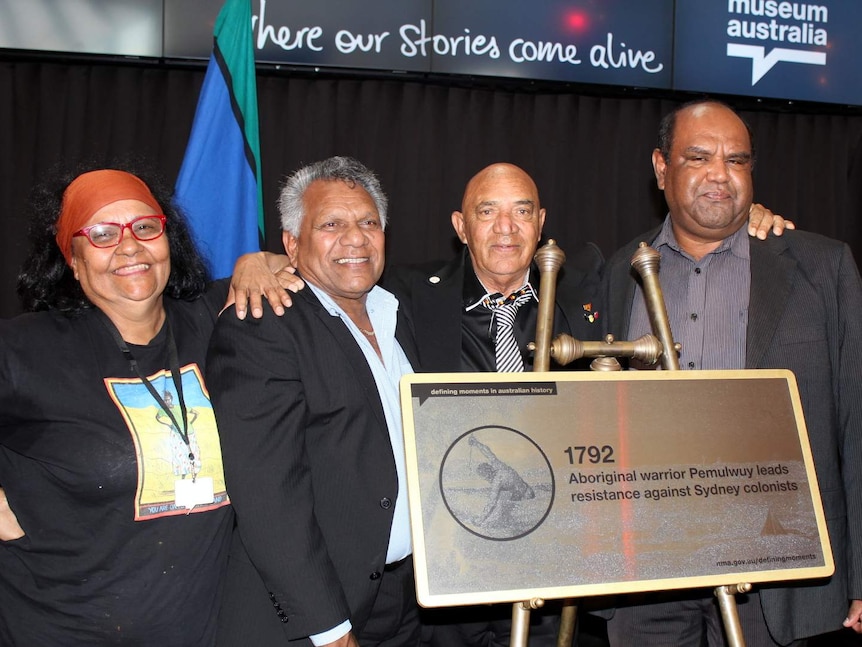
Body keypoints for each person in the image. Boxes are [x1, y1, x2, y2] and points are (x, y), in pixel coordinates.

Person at [384, 162, 792, 647]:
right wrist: (271, 264)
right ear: (460, 226)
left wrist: (743, 217)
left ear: (541, 223)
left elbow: (685, 242)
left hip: (561, 572)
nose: (506, 227)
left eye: (522, 211)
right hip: (454, 572)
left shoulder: (586, 285)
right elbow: (336, 278)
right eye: (487, 211)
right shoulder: (406, 293)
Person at [600, 99, 862, 646]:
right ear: (660, 168)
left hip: (781, 580)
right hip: (645, 574)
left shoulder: (821, 268)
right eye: (698, 157)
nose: (720, 174)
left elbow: (858, 428)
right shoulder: (616, 272)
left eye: (737, 160)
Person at [0, 166, 297, 645]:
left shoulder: (216, 317)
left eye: (144, 227)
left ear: (167, 240)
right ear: (71, 260)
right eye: (100, 234)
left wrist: (255, 260)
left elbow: (320, 265)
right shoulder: (25, 349)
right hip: (60, 628)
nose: (129, 246)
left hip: (204, 630)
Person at [207, 156, 422, 647]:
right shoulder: (262, 324)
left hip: (402, 602)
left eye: (369, 222)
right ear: (290, 244)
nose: (355, 237)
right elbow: (267, 493)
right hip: (314, 617)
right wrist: (327, 626)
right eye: (331, 224)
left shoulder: (395, 315)